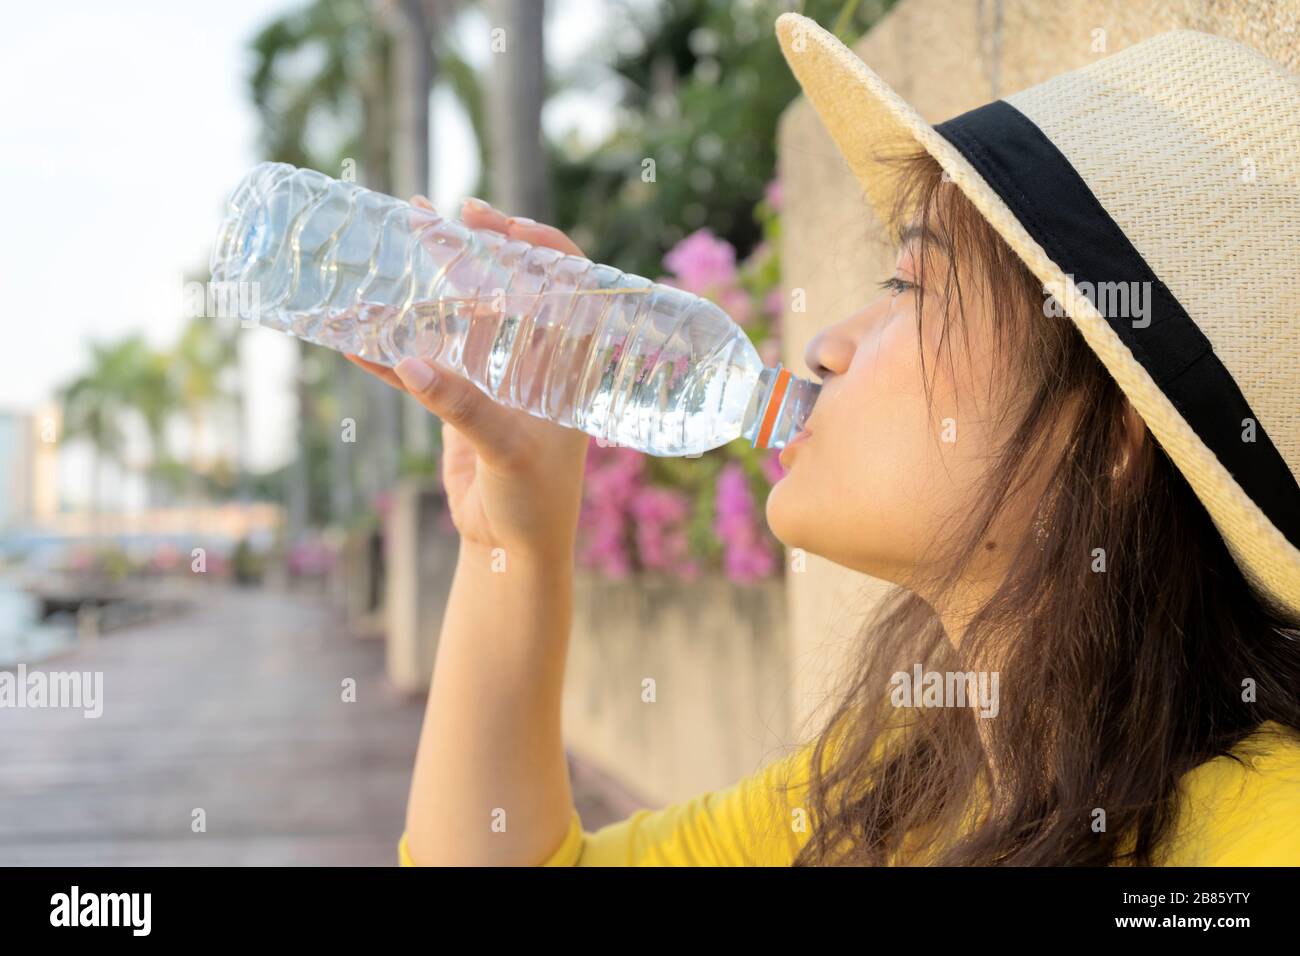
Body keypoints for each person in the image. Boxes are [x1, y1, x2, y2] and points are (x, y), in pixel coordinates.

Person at [349, 14, 1300, 866]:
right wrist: (508, 542)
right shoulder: (899, 792)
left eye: (909, 288)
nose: (824, 347)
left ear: (1111, 440)